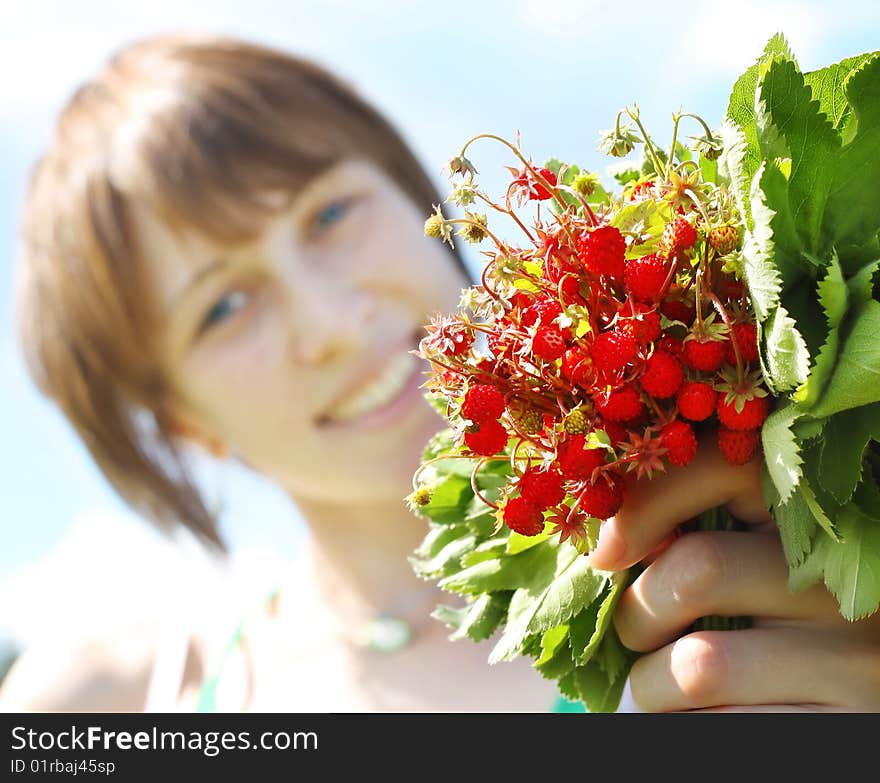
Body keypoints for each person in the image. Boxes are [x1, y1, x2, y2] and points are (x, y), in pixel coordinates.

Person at [2, 34, 878, 712]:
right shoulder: (120, 698)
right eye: (222, 307)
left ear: (425, 199)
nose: (333, 321)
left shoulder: (758, 522)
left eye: (329, 213)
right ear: (183, 421)